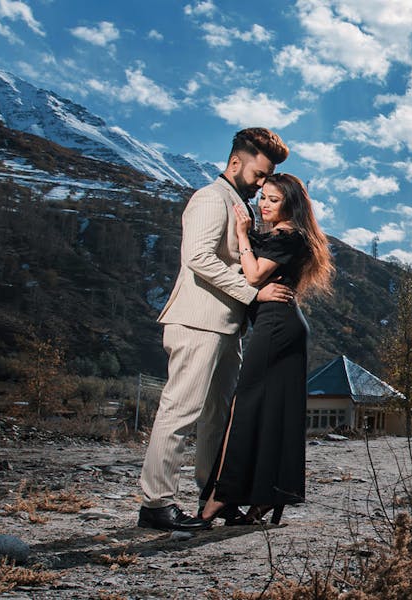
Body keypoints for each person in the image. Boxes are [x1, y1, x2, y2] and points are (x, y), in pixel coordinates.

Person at [138, 128, 293, 531]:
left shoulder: (239, 205)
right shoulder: (209, 198)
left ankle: (214, 500)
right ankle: (156, 504)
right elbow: (199, 259)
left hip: (226, 326)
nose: (262, 185)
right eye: (259, 175)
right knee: (180, 410)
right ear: (236, 162)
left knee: (217, 419)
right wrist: (252, 293)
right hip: (196, 322)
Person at [199, 172, 334, 525]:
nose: (264, 205)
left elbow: (256, 275)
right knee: (271, 412)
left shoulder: (290, 236)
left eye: (273, 199)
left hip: (277, 326)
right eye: (263, 198)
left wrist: (243, 236)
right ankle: (264, 499)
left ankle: (218, 497)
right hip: (278, 325)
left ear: (290, 202)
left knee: (243, 408)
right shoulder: (279, 235)